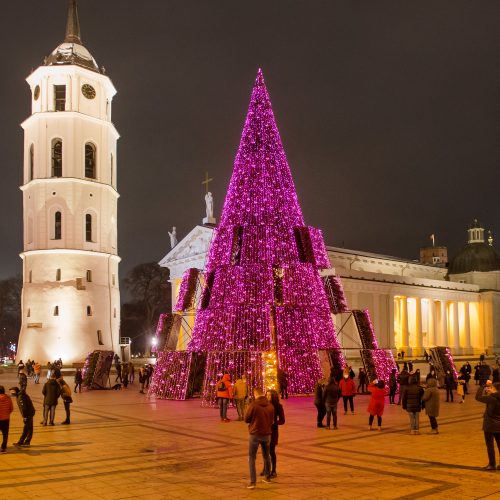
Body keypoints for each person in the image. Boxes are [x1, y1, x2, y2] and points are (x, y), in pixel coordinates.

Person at [244, 387, 274, 489]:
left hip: (255, 434)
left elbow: (246, 419)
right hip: (267, 434)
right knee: (267, 456)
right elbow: (272, 420)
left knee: (252, 458)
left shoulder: (253, 405)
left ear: (255, 394)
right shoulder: (270, 405)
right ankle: (267, 477)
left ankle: (253, 482)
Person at [475, 382, 500, 470]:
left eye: (491, 388)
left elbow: (478, 397)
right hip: (499, 425)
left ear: (496, 390)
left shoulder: (492, 399)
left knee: (490, 445)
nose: (490, 389)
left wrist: (483, 386)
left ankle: (492, 464)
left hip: (490, 425)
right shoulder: (494, 398)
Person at [267, 390, 285, 478]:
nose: (267, 397)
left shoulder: (278, 406)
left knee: (271, 451)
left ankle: (273, 470)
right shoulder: (264, 405)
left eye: (269, 396)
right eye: (266, 395)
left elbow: (282, 420)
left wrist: (275, 422)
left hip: (273, 431)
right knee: (265, 451)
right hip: (264, 431)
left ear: (273, 397)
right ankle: (266, 468)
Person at [0, 386, 13, 452]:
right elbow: (11, 408)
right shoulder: (8, 398)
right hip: (6, 419)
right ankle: (3, 447)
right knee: (5, 434)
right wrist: (6, 414)